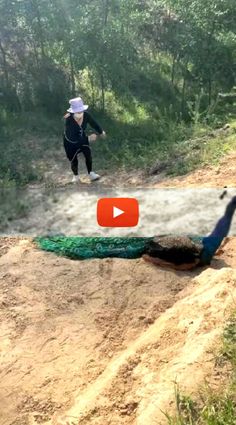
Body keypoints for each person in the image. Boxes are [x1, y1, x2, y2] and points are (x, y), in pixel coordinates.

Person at [63, 97, 106, 182]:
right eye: (77, 112)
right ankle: (75, 176)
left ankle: (91, 173)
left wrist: (101, 132)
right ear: (73, 111)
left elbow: (94, 123)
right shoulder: (68, 120)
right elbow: (72, 138)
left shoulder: (86, 115)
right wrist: (88, 139)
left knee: (87, 153)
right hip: (70, 142)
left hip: (82, 137)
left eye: (81, 111)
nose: (80, 113)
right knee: (73, 158)